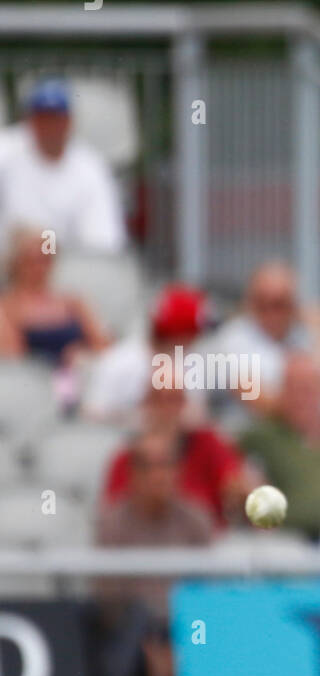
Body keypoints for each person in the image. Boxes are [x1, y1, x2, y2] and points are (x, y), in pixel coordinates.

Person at [94, 431, 213, 676]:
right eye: (151, 466)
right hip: (131, 632)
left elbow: (208, 591)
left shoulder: (195, 520)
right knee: (132, 629)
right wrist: (149, 644)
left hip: (187, 628)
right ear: (133, 473)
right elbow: (108, 596)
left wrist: (184, 642)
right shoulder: (113, 523)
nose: (161, 475)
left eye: (168, 465)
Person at [239, 352, 320, 541]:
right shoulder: (264, 437)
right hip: (289, 542)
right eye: (292, 389)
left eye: (307, 389)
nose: (300, 398)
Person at [0, 77, 126, 254]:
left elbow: (103, 241)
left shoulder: (90, 168)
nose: (49, 127)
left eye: (55, 119)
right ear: (29, 120)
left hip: (63, 267)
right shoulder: (6, 150)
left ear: (69, 122)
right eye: (42, 118)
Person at [101, 380, 248, 529]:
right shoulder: (126, 459)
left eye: (174, 399)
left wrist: (239, 492)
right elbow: (113, 516)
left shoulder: (208, 444)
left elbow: (235, 485)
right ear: (146, 405)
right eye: (158, 400)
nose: (167, 409)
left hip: (201, 543)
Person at [204, 260, 320, 410]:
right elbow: (259, 401)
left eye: (279, 304)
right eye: (262, 303)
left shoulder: (305, 334)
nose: (271, 313)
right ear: (250, 302)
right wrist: (308, 400)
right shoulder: (232, 340)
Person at [81, 284, 208, 425]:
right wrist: (142, 418)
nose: (195, 339)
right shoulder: (119, 361)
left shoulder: (192, 363)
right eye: (191, 333)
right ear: (181, 334)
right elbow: (92, 414)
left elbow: (197, 417)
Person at [0, 225, 111, 368]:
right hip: (36, 380)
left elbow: (103, 344)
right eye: (32, 259)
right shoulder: (7, 307)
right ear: (16, 262)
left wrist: (82, 353)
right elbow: (13, 358)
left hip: (79, 375)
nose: (39, 267)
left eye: (45, 259)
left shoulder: (72, 301)